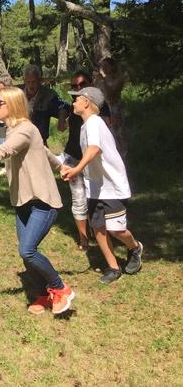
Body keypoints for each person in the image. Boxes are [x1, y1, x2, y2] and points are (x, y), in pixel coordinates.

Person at [0, 87, 75, 316]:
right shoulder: (15, 129)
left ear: (13, 105)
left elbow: (4, 151)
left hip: (42, 200)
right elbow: (44, 151)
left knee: (27, 250)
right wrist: (61, 166)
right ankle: (44, 294)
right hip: (23, 200)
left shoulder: (25, 129)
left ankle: (60, 287)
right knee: (26, 253)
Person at [60, 87, 142, 284]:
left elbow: (94, 149)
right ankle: (113, 267)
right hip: (95, 186)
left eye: (76, 99)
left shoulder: (95, 123)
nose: (73, 103)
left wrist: (77, 169)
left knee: (116, 230)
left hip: (111, 187)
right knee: (98, 228)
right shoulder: (85, 125)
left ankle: (135, 247)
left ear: (87, 102)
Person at [61, 72, 110, 251]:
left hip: (94, 160)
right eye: (74, 86)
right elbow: (63, 109)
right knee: (78, 197)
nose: (78, 89)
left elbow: (104, 134)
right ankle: (84, 239)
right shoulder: (74, 105)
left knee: (96, 197)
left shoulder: (99, 107)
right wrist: (61, 118)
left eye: (82, 85)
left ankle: (104, 232)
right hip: (73, 156)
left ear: (90, 83)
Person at [18, 65, 67, 145]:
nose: (31, 86)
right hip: (18, 140)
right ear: (24, 81)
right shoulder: (17, 92)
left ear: (40, 81)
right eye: (28, 82)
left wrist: (61, 117)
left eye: (33, 82)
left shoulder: (49, 95)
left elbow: (63, 105)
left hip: (39, 142)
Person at [94, 57, 127, 159]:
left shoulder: (118, 79)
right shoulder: (99, 80)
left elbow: (110, 94)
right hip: (102, 111)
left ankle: (122, 158)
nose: (103, 68)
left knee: (117, 134)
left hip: (114, 110)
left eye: (106, 66)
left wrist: (103, 80)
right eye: (102, 66)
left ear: (112, 67)